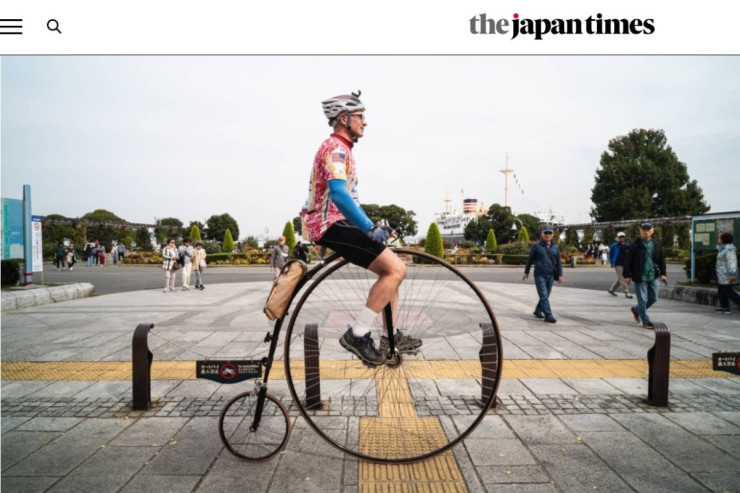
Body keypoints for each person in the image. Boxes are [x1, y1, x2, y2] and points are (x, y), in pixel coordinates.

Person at [301, 90, 413, 366]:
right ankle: (357, 334)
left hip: (338, 223)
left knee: (393, 270)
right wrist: (367, 226)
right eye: (360, 117)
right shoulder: (335, 149)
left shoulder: (345, 151)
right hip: (329, 225)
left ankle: (390, 336)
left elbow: (351, 198)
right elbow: (338, 195)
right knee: (397, 269)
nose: (365, 123)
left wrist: (370, 228)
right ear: (344, 118)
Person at [623, 222, 667, 329]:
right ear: (640, 231)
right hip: (640, 276)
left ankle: (637, 310)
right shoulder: (636, 244)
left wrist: (663, 273)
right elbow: (628, 260)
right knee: (642, 300)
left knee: (653, 298)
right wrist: (627, 275)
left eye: (648, 229)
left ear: (652, 231)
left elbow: (661, 259)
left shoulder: (656, 244)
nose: (646, 231)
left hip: (653, 275)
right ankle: (646, 321)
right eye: (644, 229)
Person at [522, 225, 563, 323]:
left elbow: (558, 262)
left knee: (546, 295)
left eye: (550, 233)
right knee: (544, 295)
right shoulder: (536, 246)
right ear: (542, 234)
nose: (547, 235)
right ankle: (548, 315)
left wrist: (560, 274)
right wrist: (526, 272)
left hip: (551, 275)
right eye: (546, 233)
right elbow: (530, 260)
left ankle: (538, 310)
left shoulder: (555, 247)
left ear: (553, 234)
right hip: (540, 274)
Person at [715, 231, 740, 313]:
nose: (718, 239)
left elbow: (732, 261)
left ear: (723, 239)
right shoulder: (723, 248)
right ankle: (725, 307)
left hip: (727, 274)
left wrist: (732, 273)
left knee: (728, 291)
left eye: (719, 237)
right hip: (722, 275)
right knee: (721, 291)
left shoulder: (729, 249)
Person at [608, 232, 633, 298]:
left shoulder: (628, 245)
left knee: (620, 278)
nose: (621, 238)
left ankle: (612, 289)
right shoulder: (614, 245)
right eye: (620, 237)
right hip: (617, 264)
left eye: (623, 237)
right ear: (617, 238)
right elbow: (610, 254)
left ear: (625, 238)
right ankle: (627, 292)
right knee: (622, 278)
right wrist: (611, 262)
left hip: (625, 264)